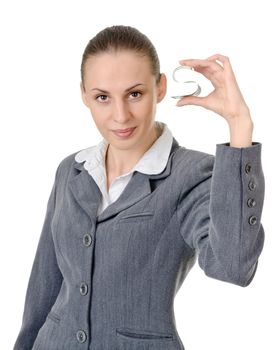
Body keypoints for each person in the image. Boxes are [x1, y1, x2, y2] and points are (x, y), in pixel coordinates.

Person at [13, 25, 265, 350]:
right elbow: (43, 288)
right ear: (84, 95)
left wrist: (239, 124)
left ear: (159, 88)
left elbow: (233, 267)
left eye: (135, 94)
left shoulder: (192, 174)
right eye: (102, 97)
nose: (120, 115)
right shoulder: (70, 171)